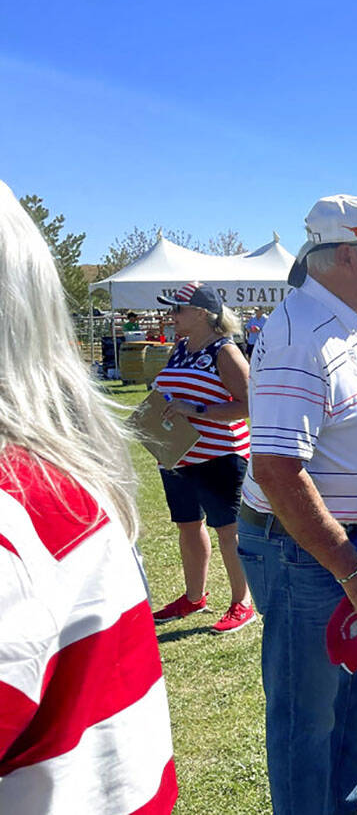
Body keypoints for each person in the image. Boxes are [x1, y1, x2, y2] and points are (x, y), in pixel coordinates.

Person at [0, 179, 177, 813]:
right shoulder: (50, 483)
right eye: (171, 314)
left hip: (214, 463)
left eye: (184, 314)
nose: (172, 322)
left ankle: (224, 597)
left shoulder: (20, 510)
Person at [237, 194, 357, 815]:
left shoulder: (339, 319)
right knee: (307, 713)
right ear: (346, 254)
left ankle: (349, 803)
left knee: (354, 693)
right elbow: (279, 471)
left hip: (339, 541)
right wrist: (350, 565)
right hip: (309, 554)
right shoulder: (300, 335)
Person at [151, 280, 256, 634]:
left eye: (177, 309)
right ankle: (194, 597)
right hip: (177, 454)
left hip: (220, 456)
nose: (172, 316)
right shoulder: (180, 348)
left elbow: (247, 405)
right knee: (187, 525)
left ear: (200, 313)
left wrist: (194, 408)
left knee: (228, 530)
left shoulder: (224, 352)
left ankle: (242, 602)